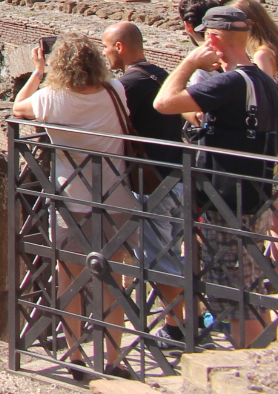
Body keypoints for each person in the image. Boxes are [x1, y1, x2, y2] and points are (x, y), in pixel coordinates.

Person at [153, 6, 278, 345]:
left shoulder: (228, 82)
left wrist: (189, 64)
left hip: (225, 203)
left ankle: (248, 368)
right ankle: (262, 358)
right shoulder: (266, 81)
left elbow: (164, 103)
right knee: (249, 287)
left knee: (234, 296)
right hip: (254, 197)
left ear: (210, 39)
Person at [13, 33, 132, 373]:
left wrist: (37, 72)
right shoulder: (116, 90)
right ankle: (114, 359)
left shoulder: (51, 97)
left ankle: (76, 356)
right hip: (116, 196)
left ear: (58, 65)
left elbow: (17, 108)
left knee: (69, 279)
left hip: (72, 200)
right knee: (113, 280)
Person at [103, 21, 188, 333]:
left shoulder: (128, 86)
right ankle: (177, 321)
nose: (105, 54)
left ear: (121, 47)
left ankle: (179, 328)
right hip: (177, 175)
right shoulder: (162, 75)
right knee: (172, 252)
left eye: (107, 47)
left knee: (157, 260)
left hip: (149, 183)